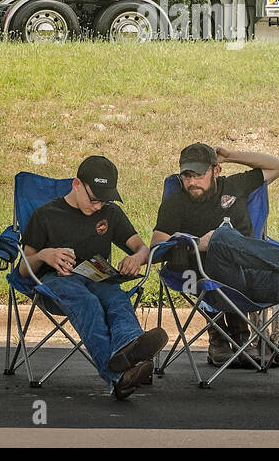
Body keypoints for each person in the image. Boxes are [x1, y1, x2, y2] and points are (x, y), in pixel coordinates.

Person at [152, 142, 279, 398]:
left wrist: (232, 156)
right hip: (214, 281)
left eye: (199, 174)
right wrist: (199, 244)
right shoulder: (176, 202)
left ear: (215, 171)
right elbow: (157, 245)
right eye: (186, 175)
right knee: (221, 237)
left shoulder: (235, 185)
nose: (192, 182)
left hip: (252, 276)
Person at [19, 155, 168, 399]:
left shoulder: (110, 213)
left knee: (116, 299)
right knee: (88, 304)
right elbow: (24, 269)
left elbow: (142, 248)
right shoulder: (46, 214)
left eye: (104, 200)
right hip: (57, 282)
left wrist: (136, 259)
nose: (99, 206)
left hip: (98, 277)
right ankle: (119, 373)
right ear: (76, 184)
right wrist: (45, 255)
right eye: (94, 199)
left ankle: (128, 349)